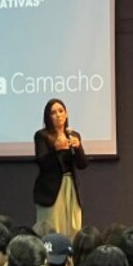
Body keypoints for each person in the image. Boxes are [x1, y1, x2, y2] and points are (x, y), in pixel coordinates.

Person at [33, 98, 88, 238]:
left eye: (61, 111)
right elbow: (42, 163)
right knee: (52, 227)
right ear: (48, 116)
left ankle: (71, 258)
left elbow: (82, 165)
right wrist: (56, 150)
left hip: (71, 187)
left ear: (66, 113)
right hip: (51, 188)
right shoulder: (42, 136)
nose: (58, 115)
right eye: (53, 112)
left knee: (73, 227)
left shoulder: (73, 135)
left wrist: (78, 147)